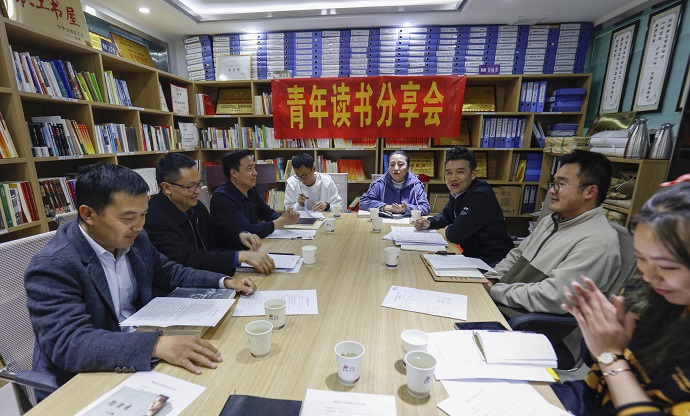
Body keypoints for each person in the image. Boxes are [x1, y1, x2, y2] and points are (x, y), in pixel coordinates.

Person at [24, 163, 257, 398]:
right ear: (88, 214)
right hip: (86, 378)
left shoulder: (136, 239)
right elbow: (71, 343)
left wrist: (224, 282)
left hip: (140, 355)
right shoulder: (53, 264)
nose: (138, 226)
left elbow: (168, 271)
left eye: (143, 215)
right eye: (127, 218)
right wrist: (156, 345)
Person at [552, 179, 690, 415]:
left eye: (667, 267)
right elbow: (594, 359)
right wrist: (599, 333)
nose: (649, 276)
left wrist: (611, 357)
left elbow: (608, 357)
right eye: (641, 258)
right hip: (592, 398)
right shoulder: (646, 292)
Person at [486, 149, 621, 319]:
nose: (551, 191)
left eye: (561, 184)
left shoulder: (597, 242)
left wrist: (495, 291)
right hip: (502, 304)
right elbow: (517, 255)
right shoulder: (552, 220)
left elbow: (553, 297)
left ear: (590, 192)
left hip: (524, 322)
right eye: (553, 183)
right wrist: (491, 279)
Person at [145, 153, 275, 279]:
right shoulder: (154, 219)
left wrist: (240, 236)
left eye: (199, 183)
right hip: (182, 286)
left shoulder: (194, 205)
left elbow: (215, 228)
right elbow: (187, 258)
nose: (197, 191)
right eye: (191, 186)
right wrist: (239, 256)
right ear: (167, 188)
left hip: (210, 276)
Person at [414, 147, 513, 266]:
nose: (453, 178)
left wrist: (448, 228)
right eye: (448, 172)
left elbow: (455, 235)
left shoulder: (480, 195)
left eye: (460, 172)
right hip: (473, 257)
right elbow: (446, 215)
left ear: (473, 174)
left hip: (494, 262)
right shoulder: (459, 191)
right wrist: (430, 223)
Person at [211, 150, 300, 238]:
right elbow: (247, 231)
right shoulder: (222, 197)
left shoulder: (251, 190)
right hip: (234, 247)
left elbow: (268, 213)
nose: (255, 173)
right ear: (234, 173)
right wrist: (281, 221)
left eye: (254, 168)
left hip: (253, 244)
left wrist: (287, 217)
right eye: (249, 169)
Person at [359, 149, 430, 216]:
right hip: (384, 222)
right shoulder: (379, 183)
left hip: (408, 223)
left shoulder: (416, 185)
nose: (395, 168)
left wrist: (405, 209)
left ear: (408, 167)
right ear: (388, 166)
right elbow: (364, 202)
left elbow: (425, 208)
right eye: (392, 165)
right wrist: (384, 207)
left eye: (400, 164)